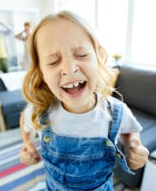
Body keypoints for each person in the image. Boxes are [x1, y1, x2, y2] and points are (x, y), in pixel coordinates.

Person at [18, 11, 149, 190]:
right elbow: (25, 120)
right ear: (42, 73)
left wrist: (134, 145)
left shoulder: (116, 111)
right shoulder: (40, 110)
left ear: (99, 57)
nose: (69, 69)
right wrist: (28, 143)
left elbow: (129, 130)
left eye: (81, 55)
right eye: (54, 61)